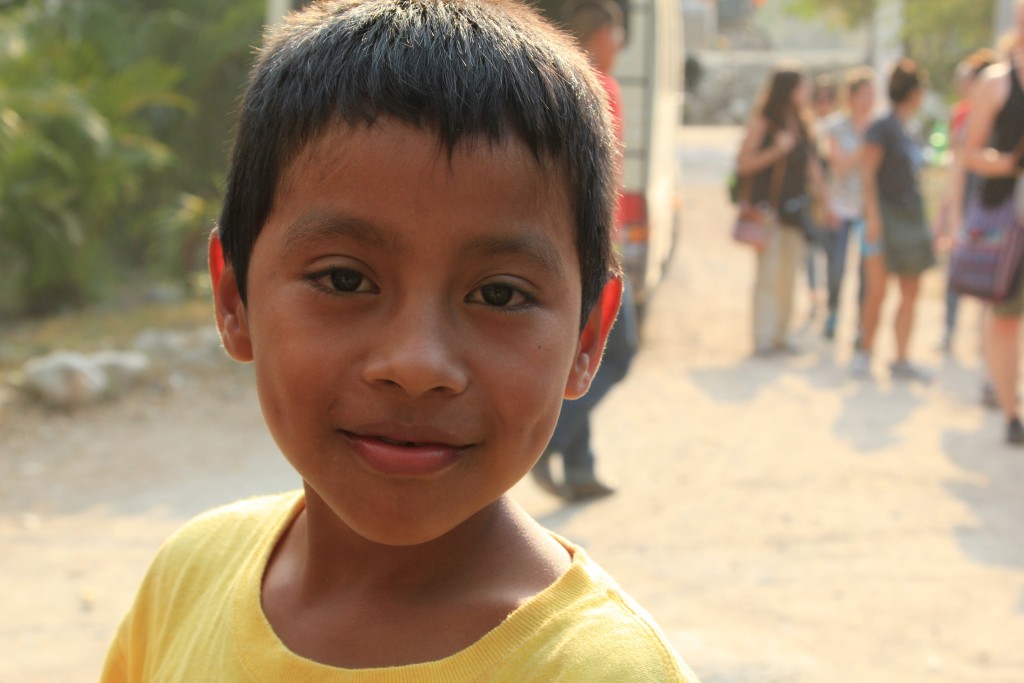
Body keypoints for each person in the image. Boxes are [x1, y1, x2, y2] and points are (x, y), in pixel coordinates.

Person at [99, 0, 699, 680]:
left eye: (499, 295)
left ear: (588, 337)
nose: (416, 364)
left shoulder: (598, 670)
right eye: (345, 280)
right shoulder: (186, 579)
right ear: (234, 299)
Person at [531, 0, 638, 502]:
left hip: (564, 244)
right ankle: (550, 440)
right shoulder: (601, 88)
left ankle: (579, 468)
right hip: (596, 247)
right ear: (599, 38)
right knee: (617, 352)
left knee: (583, 357)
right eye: (616, 35)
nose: (620, 44)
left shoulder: (555, 82)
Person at [736, 64, 832, 356]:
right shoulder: (765, 123)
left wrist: (825, 204)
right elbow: (743, 164)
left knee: (789, 277)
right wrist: (776, 151)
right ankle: (763, 339)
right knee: (768, 275)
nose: (807, 91)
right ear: (789, 90)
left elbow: (813, 168)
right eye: (803, 86)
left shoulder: (803, 124)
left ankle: (781, 335)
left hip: (796, 213)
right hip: (770, 212)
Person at [962, 0, 1024, 445]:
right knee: (1005, 318)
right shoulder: (997, 83)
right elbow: (969, 152)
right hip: (1010, 218)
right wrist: (1007, 164)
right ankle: (1011, 413)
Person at [852, 58, 936, 381]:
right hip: (883, 218)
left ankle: (901, 358)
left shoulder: (909, 128)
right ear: (913, 93)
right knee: (876, 292)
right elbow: (867, 174)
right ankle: (864, 351)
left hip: (910, 218)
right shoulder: (882, 127)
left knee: (910, 291)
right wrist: (873, 218)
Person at [934, 48, 998, 354]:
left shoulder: (1003, 111)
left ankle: (986, 339)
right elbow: (958, 167)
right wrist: (951, 209)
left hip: (992, 201)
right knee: (956, 269)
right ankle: (950, 331)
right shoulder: (960, 114)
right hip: (968, 198)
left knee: (992, 273)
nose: (962, 83)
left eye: (967, 77)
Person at [821, 67, 875, 341]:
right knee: (837, 267)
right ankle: (832, 312)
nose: (868, 100)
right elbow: (840, 166)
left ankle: (860, 326)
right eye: (864, 94)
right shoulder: (835, 126)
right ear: (851, 97)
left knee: (866, 273)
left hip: (867, 210)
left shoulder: (877, 126)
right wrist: (865, 148)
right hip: (840, 207)